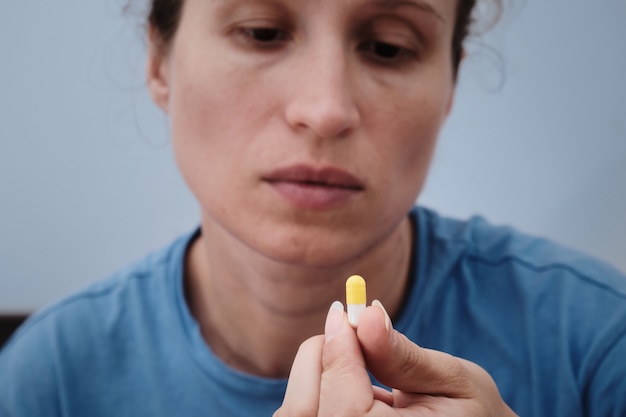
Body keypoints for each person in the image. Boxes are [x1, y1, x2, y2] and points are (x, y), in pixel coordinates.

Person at [1, 0, 625, 415]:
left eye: (387, 46)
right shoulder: (46, 380)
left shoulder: (598, 344)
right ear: (160, 62)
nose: (326, 109)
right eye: (262, 33)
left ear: (450, 85)